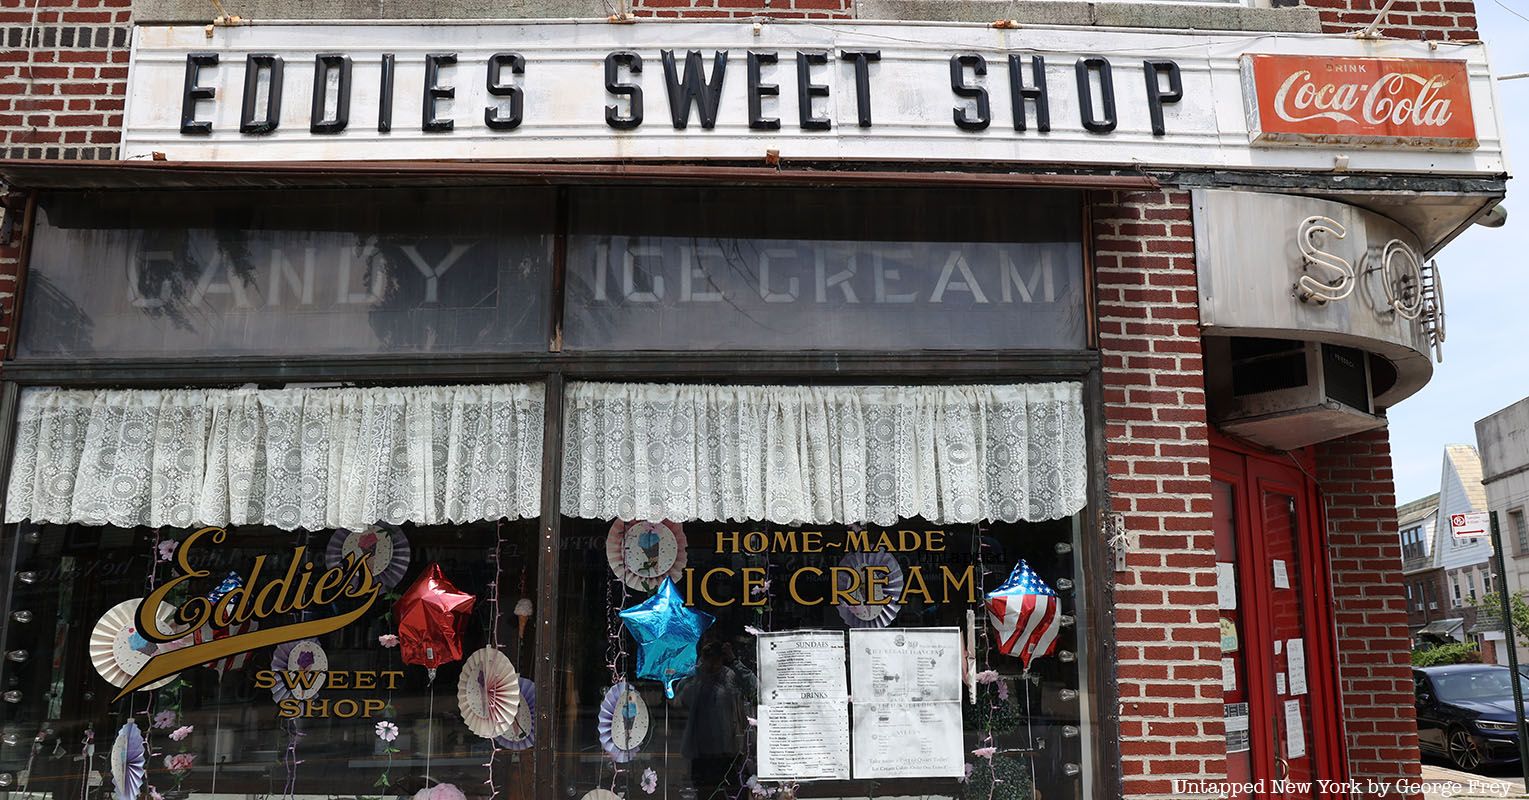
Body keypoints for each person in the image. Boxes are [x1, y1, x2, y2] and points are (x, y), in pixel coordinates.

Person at [679, 640, 754, 800]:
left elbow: (754, 688)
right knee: (705, 794)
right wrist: (699, 668)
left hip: (728, 752)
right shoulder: (696, 678)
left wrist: (734, 661)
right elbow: (681, 699)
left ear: (722, 656)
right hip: (702, 753)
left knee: (732, 793)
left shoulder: (729, 675)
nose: (712, 660)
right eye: (708, 655)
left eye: (716, 655)